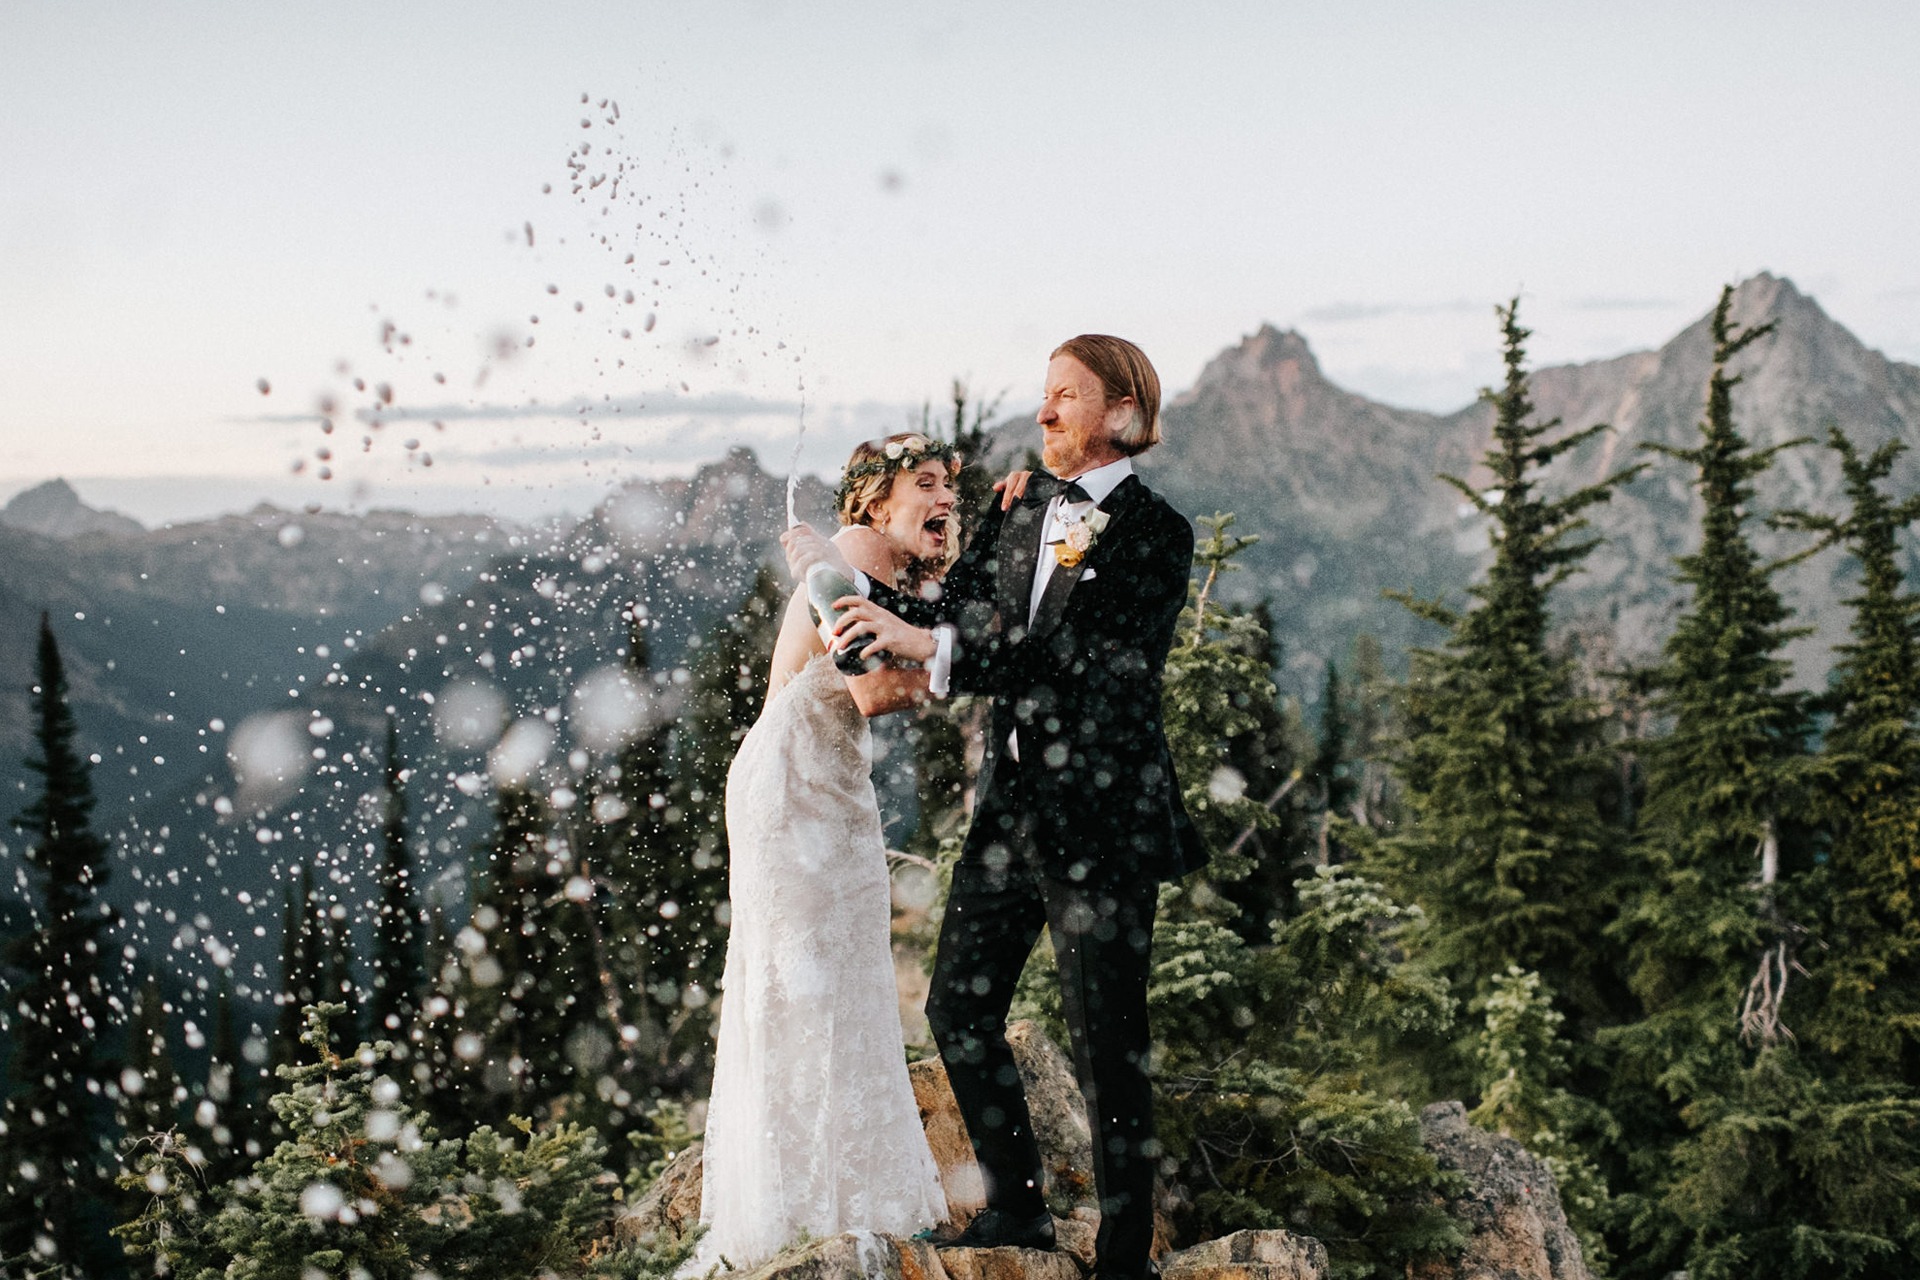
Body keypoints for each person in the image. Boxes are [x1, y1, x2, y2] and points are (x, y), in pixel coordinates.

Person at [782, 335, 1205, 1280]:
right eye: (1045, 394)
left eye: (1067, 396)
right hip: (1011, 811)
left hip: (1104, 825)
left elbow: (1077, 663)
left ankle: (1124, 1261)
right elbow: (950, 613)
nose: (1045, 410)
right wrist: (836, 575)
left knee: (1108, 1046)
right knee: (959, 1008)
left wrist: (924, 647)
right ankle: (1017, 1211)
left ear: (1124, 412)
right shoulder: (1022, 510)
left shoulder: (1159, 535)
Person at [686, 432, 960, 1273]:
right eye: (925, 483)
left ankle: (826, 1195)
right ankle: (818, 1205)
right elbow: (876, 691)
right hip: (794, 791)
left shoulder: (881, 570)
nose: (946, 498)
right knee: (807, 984)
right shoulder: (852, 555)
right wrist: (975, 665)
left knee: (833, 982)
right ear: (876, 502)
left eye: (950, 485)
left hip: (825, 788)